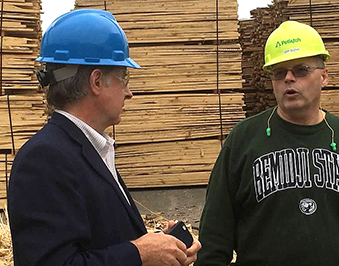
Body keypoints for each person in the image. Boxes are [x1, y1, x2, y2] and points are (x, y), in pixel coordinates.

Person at [7, 9, 201, 266]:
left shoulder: (87, 149)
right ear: (96, 81)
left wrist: (159, 248)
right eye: (123, 78)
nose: (129, 92)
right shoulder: (44, 159)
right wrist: (140, 254)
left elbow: (99, 242)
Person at [195, 20, 339, 265]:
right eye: (279, 72)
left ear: (324, 77)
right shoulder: (244, 140)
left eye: (301, 69)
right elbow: (214, 235)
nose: (289, 78)